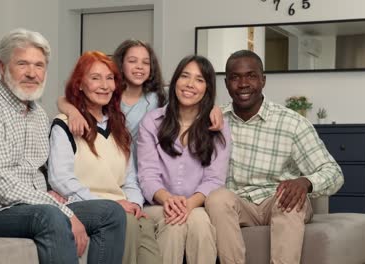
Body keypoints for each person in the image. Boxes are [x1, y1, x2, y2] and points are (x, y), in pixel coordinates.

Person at [0, 28, 126, 264]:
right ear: (2, 67)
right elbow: (4, 188)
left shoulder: (38, 115)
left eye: (39, 65)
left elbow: (38, 170)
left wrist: (53, 195)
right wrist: (61, 209)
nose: (32, 73)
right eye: (23, 64)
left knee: (110, 212)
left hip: (26, 207)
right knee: (50, 215)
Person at [205, 49, 344, 264]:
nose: (243, 83)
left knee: (289, 199)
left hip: (279, 199)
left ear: (263, 80)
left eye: (251, 76)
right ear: (226, 83)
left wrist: (305, 181)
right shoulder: (215, 121)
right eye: (235, 77)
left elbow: (334, 173)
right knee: (217, 198)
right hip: (238, 202)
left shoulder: (292, 123)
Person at [47, 51, 162, 264]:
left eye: (109, 78)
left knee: (143, 224)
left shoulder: (119, 127)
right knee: (124, 220)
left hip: (119, 206)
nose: (104, 85)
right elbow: (60, 179)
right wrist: (113, 205)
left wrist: (135, 203)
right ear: (80, 84)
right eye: (95, 77)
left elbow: (130, 179)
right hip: (84, 205)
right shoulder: (64, 124)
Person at [57, 39, 224, 167]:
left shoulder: (160, 96)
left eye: (145, 62)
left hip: (149, 168)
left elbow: (191, 95)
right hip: (114, 167)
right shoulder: (108, 94)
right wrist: (73, 112)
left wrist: (213, 108)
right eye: (132, 61)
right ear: (121, 63)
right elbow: (63, 99)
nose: (139, 67)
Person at [137, 55, 231, 264]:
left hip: (197, 205)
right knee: (174, 222)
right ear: (175, 81)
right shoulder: (152, 122)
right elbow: (147, 175)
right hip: (158, 205)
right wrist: (168, 200)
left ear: (207, 88)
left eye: (199, 79)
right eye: (185, 76)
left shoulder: (218, 127)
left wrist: (189, 204)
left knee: (199, 221)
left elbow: (214, 179)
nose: (190, 84)